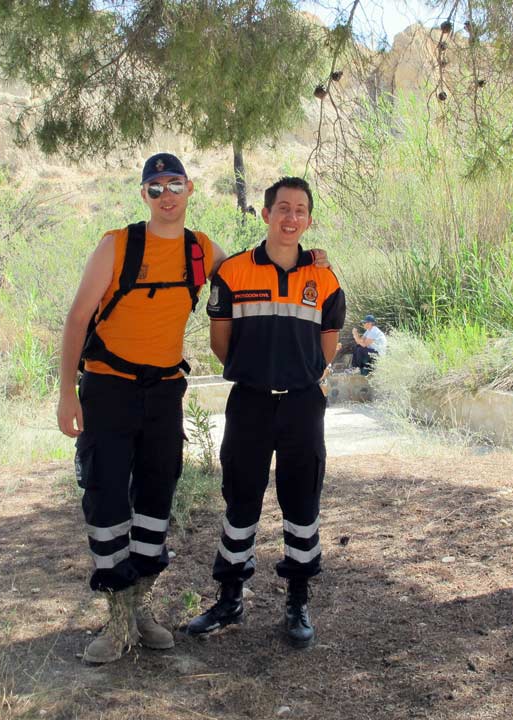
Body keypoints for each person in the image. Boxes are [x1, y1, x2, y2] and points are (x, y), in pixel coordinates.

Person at [56, 155, 328, 664]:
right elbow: (76, 320)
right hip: (107, 389)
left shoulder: (202, 250)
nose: (166, 195)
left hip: (164, 394)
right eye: (155, 187)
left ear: (189, 189)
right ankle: (116, 622)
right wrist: (66, 392)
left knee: (157, 499)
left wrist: (309, 257)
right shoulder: (116, 245)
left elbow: (254, 267)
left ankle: (143, 610)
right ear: (144, 195)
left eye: (174, 185)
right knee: (107, 499)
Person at [186, 176, 346, 649]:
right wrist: (256, 370)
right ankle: (229, 597)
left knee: (302, 504)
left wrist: (299, 376)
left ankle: (297, 600)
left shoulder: (324, 277)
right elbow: (220, 343)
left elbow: (328, 348)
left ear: (309, 220)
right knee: (240, 502)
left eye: (300, 210)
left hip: (302, 405)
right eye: (282, 208)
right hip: (250, 403)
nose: (291, 217)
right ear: (266, 214)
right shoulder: (233, 272)